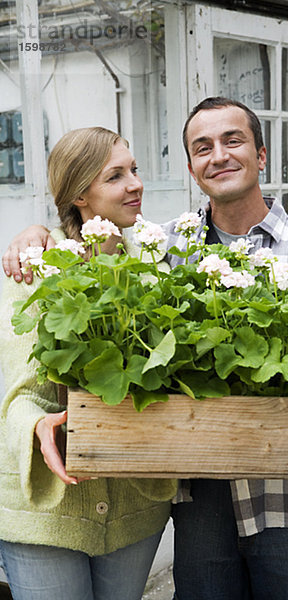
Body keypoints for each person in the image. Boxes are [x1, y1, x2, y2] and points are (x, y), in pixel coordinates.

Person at [2, 99, 288, 600]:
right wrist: (34, 236)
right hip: (198, 492)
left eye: (233, 141)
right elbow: (87, 229)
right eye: (202, 147)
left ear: (262, 155)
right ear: (191, 168)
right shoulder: (165, 248)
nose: (218, 156)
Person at [0, 127, 176, 600]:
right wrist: (39, 425)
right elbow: (20, 394)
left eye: (135, 170)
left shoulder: (157, 265)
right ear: (80, 194)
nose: (136, 184)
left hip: (133, 506)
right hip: (46, 514)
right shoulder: (37, 265)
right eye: (116, 176)